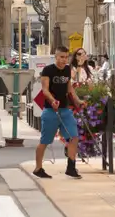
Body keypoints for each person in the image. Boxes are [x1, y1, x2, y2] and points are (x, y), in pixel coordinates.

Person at [33, 45, 83, 180]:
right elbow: (45, 89)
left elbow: (69, 87)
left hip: (65, 109)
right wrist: (52, 100)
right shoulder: (48, 70)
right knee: (45, 141)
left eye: (66, 57)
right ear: (55, 57)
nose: (64, 60)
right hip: (50, 110)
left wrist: (77, 100)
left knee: (74, 136)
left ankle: (71, 167)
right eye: (61, 57)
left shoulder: (67, 70)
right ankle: (38, 168)